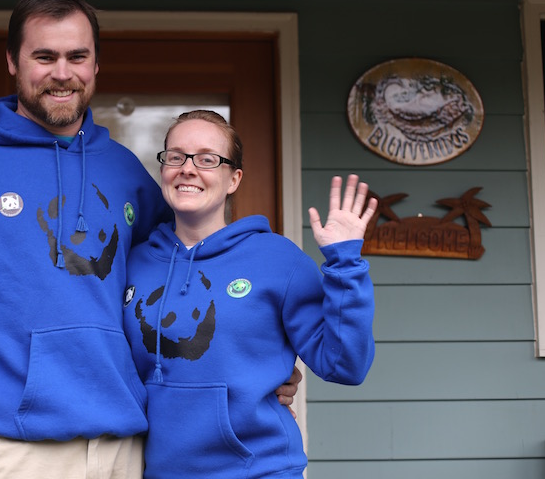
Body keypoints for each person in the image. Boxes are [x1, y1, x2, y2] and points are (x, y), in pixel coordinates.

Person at [0, 0, 300, 479]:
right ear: (12, 61)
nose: (62, 73)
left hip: (127, 450)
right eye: (44, 56)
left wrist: (258, 365)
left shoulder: (124, 172)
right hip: (17, 451)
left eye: (77, 57)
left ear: (95, 64)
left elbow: (183, 277)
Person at [122, 110, 377, 479]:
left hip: (260, 470)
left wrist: (345, 263)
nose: (187, 169)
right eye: (176, 156)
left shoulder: (278, 260)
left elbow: (345, 365)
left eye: (208, 159)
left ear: (233, 179)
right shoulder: (135, 263)